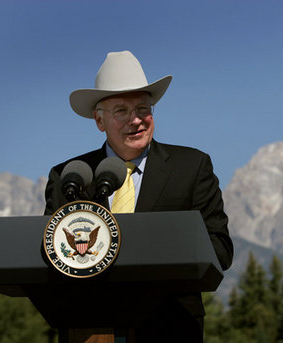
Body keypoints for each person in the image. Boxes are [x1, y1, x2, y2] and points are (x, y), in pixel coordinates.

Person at [44, 50, 233, 341]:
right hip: (90, 329)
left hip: (171, 328)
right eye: (122, 111)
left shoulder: (192, 167)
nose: (136, 120)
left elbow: (220, 249)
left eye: (144, 109)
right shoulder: (70, 176)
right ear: (99, 120)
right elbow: (52, 256)